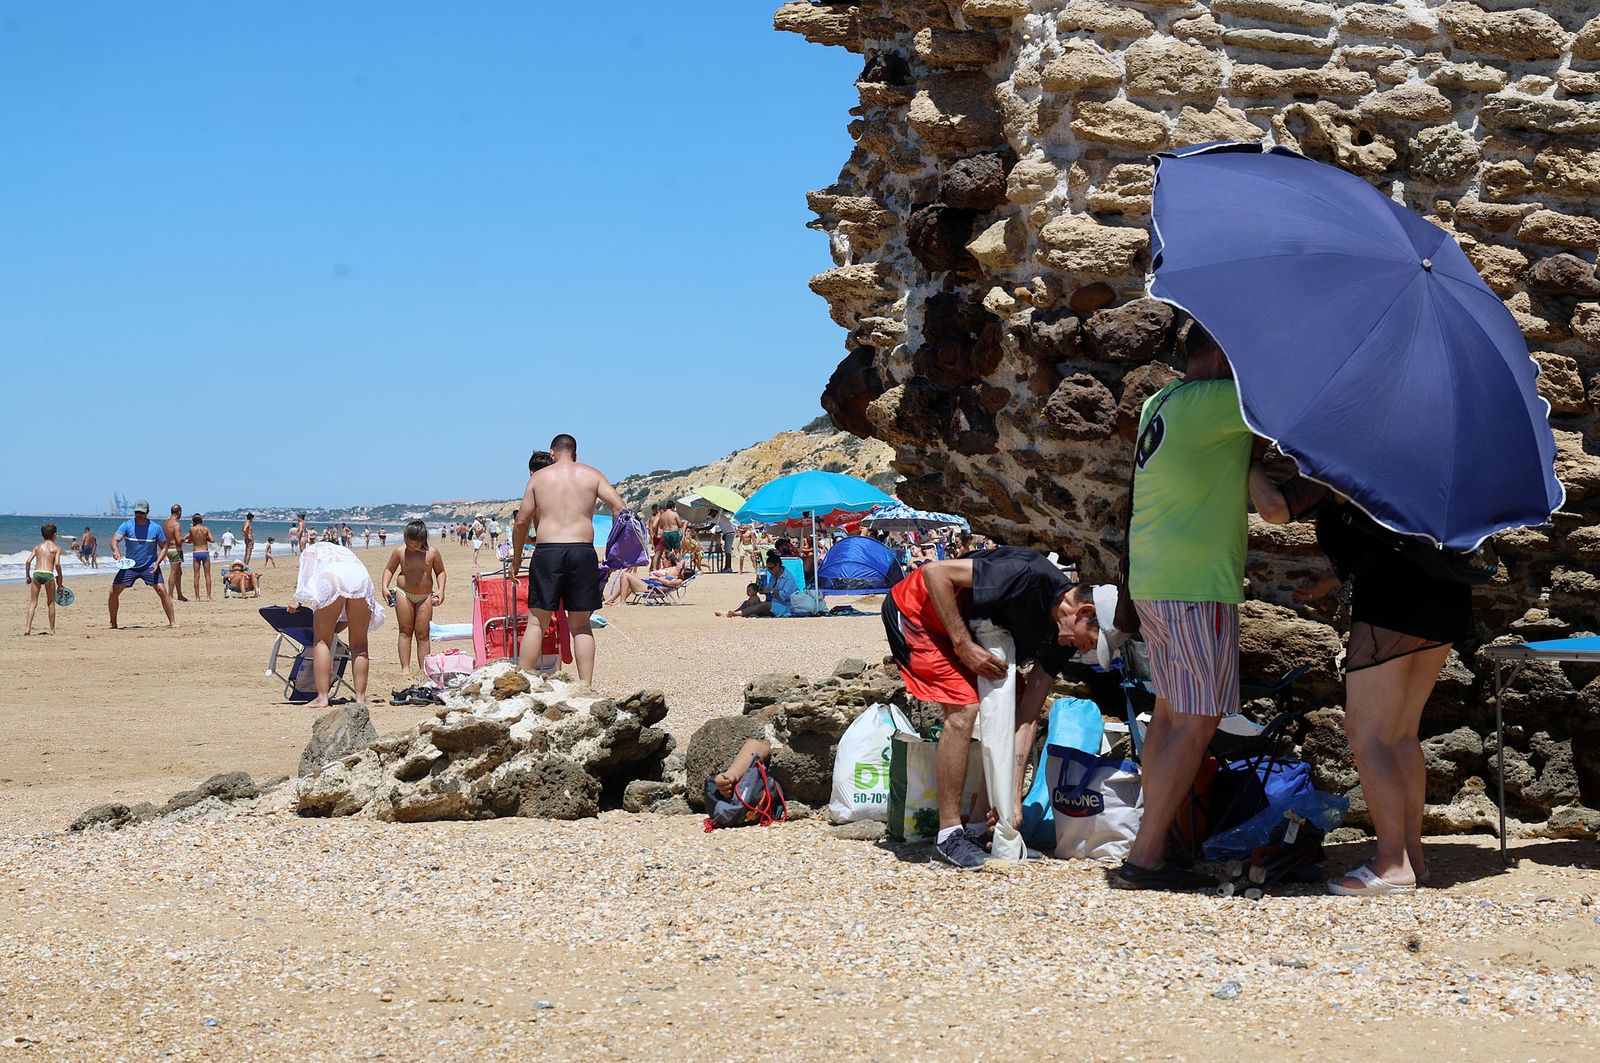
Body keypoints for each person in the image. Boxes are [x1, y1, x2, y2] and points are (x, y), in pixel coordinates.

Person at [1251, 472, 1471, 896]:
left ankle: (1391, 864)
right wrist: (1333, 579)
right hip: (1445, 594)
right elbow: (1386, 537)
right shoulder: (1415, 457)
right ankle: (1411, 856)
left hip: (1394, 602)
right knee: (1401, 733)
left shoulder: (1342, 458)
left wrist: (1248, 460)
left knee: (1367, 734)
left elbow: (1275, 509)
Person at [1115, 324, 1257, 891]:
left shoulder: (1161, 399)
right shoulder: (1221, 403)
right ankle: (1147, 856)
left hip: (1154, 578)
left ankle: (1155, 841)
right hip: (1196, 584)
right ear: (1222, 354)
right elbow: (1290, 415)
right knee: (1196, 721)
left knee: (1171, 714)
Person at [882, 545, 1111, 869]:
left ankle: (978, 829)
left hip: (965, 630)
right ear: (1084, 611)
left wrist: (1012, 799)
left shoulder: (1060, 640)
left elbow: (1027, 717)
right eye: (1090, 640)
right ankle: (949, 835)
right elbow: (935, 573)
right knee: (965, 709)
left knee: (1010, 705)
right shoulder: (1026, 575)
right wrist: (963, 646)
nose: (1085, 650)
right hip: (918, 612)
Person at [509, 433, 625, 684]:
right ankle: (586, 687)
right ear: (575, 453)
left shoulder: (538, 478)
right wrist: (613, 549)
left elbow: (521, 522)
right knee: (581, 625)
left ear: (552, 453)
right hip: (582, 550)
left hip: (548, 551)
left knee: (537, 622)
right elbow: (620, 508)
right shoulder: (591, 474)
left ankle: (523, 685)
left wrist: (517, 559)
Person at [286, 541, 384, 708]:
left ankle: (322, 697)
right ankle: (360, 697)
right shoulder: (346, 552)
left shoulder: (313, 550)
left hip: (331, 576)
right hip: (361, 578)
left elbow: (307, 579)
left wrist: (297, 600)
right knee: (359, 644)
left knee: (322, 640)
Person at [382, 519, 447, 675]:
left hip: (425, 596)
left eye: (415, 544)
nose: (411, 546)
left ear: (423, 539)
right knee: (405, 630)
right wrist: (384, 586)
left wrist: (441, 590)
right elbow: (389, 569)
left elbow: (440, 572)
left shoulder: (432, 552)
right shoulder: (400, 551)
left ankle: (423, 669)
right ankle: (405, 668)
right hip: (403, 593)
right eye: (408, 543)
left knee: (423, 633)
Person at [109, 499, 176, 630]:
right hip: (130, 566)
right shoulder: (127, 525)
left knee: (162, 591)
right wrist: (116, 550)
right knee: (113, 592)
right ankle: (113, 622)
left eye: (142, 513)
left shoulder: (155, 528)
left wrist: (158, 562)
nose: (139, 515)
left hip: (150, 565)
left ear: (147, 512)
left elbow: (164, 547)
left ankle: (172, 622)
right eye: (137, 512)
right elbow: (114, 539)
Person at [605, 553, 693, 606]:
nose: (680, 571)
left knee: (625, 575)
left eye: (682, 571)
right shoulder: (677, 577)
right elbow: (681, 563)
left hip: (653, 589)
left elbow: (669, 583)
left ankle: (622, 602)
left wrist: (658, 578)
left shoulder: (679, 580)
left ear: (685, 575)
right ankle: (612, 600)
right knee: (626, 577)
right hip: (651, 586)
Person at [24, 524, 65, 636]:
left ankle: (28, 629)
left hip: (37, 574)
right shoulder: (56, 548)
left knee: (33, 603)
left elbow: (28, 561)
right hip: (48, 574)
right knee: (51, 603)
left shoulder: (37, 547)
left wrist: (28, 576)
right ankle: (52, 630)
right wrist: (60, 581)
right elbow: (57, 564)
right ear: (54, 535)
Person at [163, 504, 189, 602]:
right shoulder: (176, 524)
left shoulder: (166, 523)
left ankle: (179, 594)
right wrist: (185, 539)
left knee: (179, 572)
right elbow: (178, 540)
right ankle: (170, 595)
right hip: (175, 549)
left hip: (168, 549)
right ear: (179, 512)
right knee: (174, 573)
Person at [187, 514, 216, 601]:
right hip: (205, 552)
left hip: (196, 552)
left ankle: (197, 597)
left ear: (193, 521)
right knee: (207, 575)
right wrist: (205, 538)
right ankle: (209, 596)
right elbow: (212, 540)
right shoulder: (206, 529)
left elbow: (190, 540)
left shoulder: (191, 529)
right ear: (201, 520)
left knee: (196, 576)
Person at [713, 510, 737, 574]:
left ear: (715, 512)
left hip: (729, 534)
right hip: (729, 533)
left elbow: (710, 526)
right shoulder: (722, 517)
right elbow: (725, 526)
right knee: (727, 551)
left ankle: (728, 568)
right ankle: (727, 567)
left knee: (727, 552)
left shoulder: (718, 517)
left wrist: (699, 529)